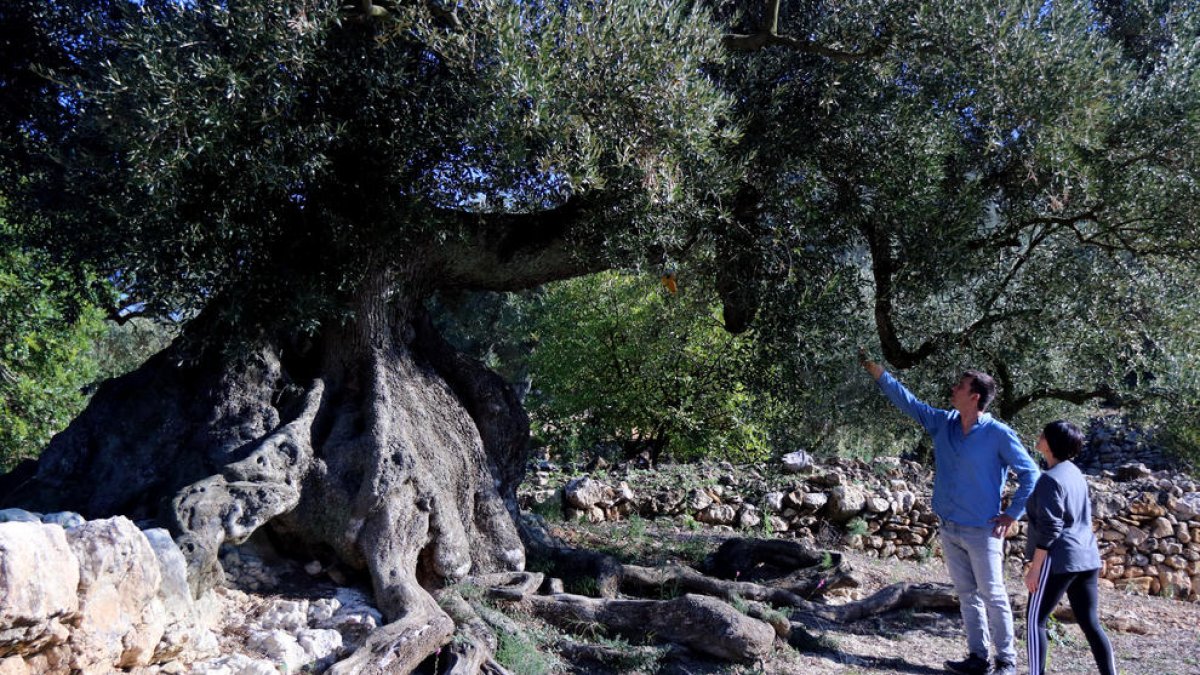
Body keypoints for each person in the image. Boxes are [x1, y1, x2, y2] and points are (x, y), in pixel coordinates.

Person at [860, 350, 1040, 675]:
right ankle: (977, 658)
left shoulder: (998, 434)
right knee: (967, 595)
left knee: (994, 595)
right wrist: (879, 374)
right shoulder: (944, 423)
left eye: (960, 386)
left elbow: (1031, 474)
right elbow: (910, 404)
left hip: (983, 530)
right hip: (949, 526)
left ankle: (1006, 662)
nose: (953, 388)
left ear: (975, 397)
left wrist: (1013, 513)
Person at [1024, 420, 1117, 675]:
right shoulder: (1074, 472)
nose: (1038, 435)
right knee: (1090, 623)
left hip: (1060, 559)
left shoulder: (1049, 480)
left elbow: (1051, 528)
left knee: (1035, 622)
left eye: (1043, 434)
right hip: (1087, 557)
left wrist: (1035, 567)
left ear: (1051, 444)